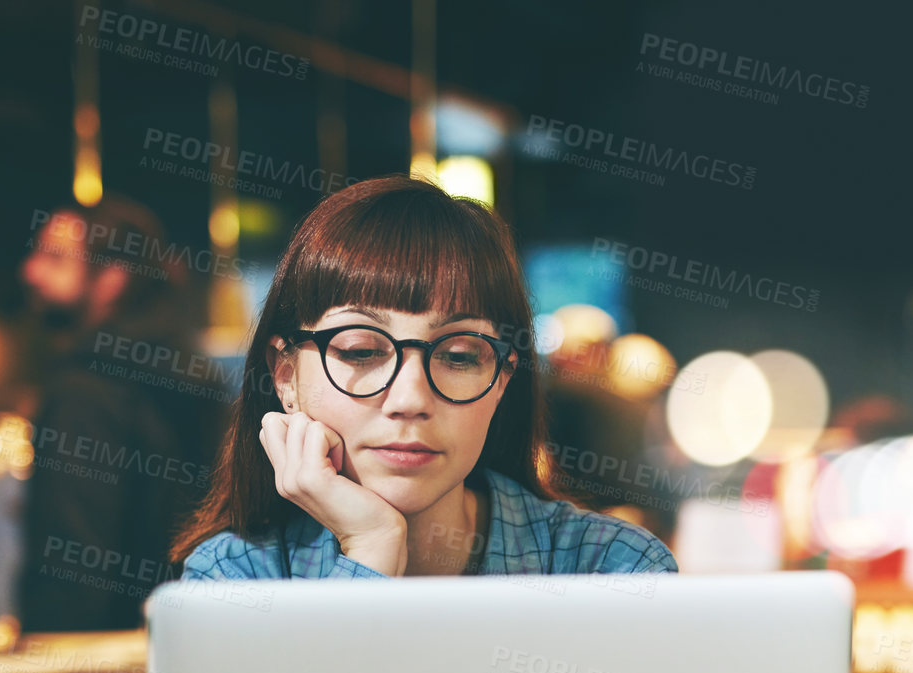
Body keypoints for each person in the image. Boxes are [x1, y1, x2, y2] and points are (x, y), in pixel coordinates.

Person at [172, 175, 677, 580]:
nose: (409, 399)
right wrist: (369, 549)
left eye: (458, 357)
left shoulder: (612, 571)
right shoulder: (238, 579)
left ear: (501, 380)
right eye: (361, 350)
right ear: (286, 377)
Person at [15, 195, 226, 632]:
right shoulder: (191, 376)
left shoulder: (85, 389)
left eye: (55, 258)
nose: (31, 271)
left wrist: (47, 665)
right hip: (185, 637)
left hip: (90, 659)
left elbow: (72, 550)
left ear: (113, 278)